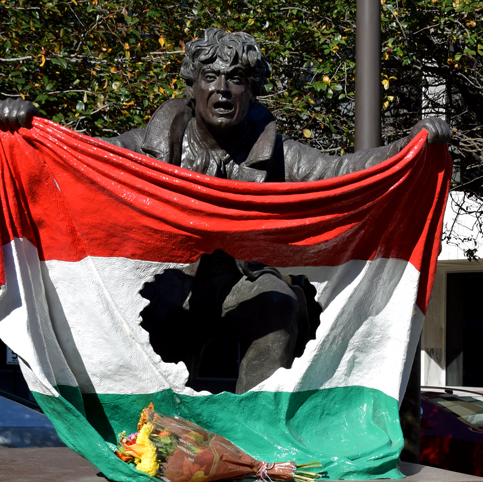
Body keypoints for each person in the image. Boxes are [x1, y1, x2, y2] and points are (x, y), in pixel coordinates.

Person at [0, 28, 450, 392]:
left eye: (235, 78)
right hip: (168, 282)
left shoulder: (276, 152)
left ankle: (259, 430)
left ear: (251, 91)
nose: (222, 89)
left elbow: (340, 171)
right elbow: (80, 162)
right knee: (147, 322)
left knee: (278, 307)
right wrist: (28, 132)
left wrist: (407, 147)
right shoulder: (150, 147)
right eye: (210, 77)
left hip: (242, 280)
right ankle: (152, 438)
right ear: (191, 87)